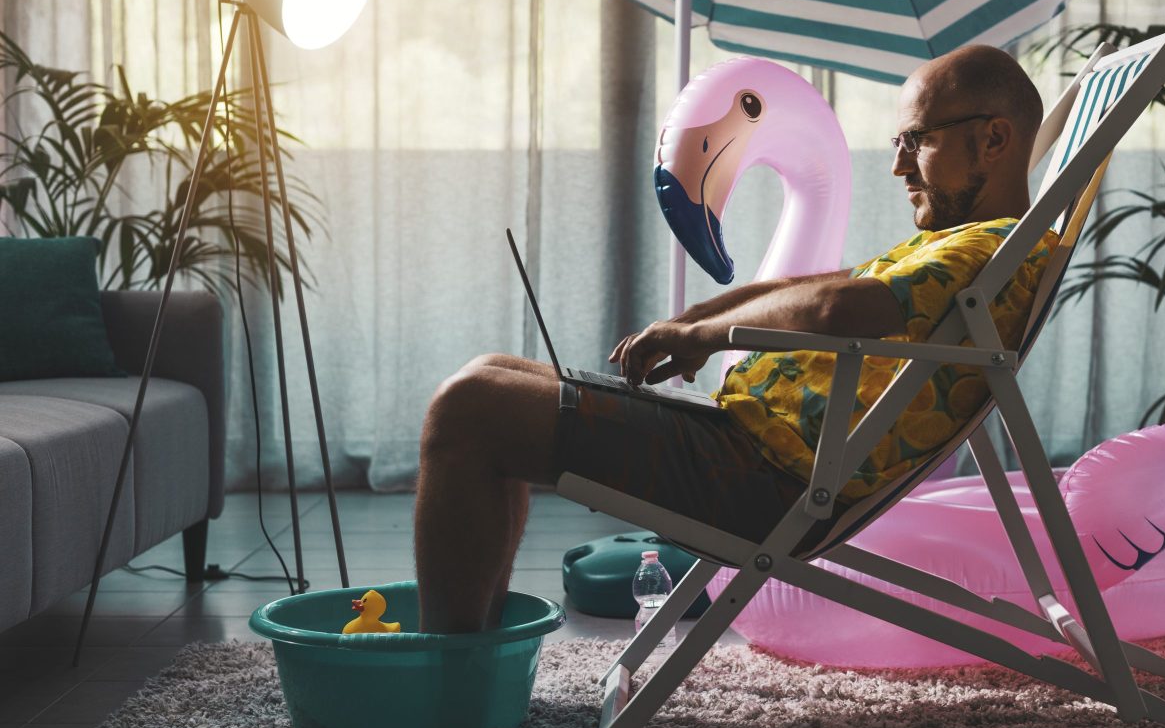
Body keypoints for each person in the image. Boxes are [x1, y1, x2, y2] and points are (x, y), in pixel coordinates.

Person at [413, 45, 1058, 633]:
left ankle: (446, 680)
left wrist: (707, 334)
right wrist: (692, 320)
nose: (897, 165)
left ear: (995, 139)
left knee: (469, 405)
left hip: (766, 481)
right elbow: (829, 282)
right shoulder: (953, 246)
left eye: (916, 140)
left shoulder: (990, 249)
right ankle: (470, 648)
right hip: (742, 448)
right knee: (493, 372)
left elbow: (839, 305)